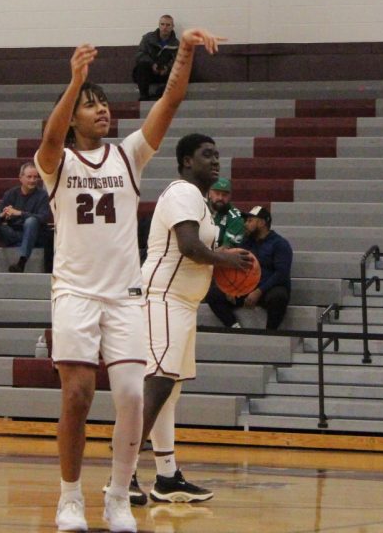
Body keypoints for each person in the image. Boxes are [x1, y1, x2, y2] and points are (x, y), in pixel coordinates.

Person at [38, 28, 223, 533]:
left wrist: (183, 50)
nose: (101, 110)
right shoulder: (58, 162)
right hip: (75, 292)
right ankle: (69, 498)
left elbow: (172, 98)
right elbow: (51, 139)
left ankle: (118, 496)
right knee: (77, 395)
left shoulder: (129, 155)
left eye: (102, 103)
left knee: (132, 397)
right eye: (89, 105)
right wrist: (76, 80)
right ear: (73, 113)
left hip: (124, 295)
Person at [127, 133, 252, 506]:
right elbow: (188, 246)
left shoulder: (199, 200)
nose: (215, 161)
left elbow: (201, 249)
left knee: (169, 390)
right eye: (206, 155)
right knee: (158, 384)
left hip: (181, 302)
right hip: (163, 297)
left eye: (217, 154)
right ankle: (123, 472)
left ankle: (166, 478)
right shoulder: (182, 192)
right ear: (185, 162)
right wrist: (227, 260)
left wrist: (225, 258)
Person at [204, 206, 292, 330]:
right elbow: (237, 266)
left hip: (266, 290)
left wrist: (259, 291)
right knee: (213, 294)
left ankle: (270, 332)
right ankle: (234, 326)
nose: (245, 224)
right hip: (245, 288)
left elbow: (281, 274)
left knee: (279, 296)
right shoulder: (246, 243)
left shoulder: (280, 244)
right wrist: (231, 288)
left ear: (262, 223)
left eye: (250, 220)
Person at [0, 161, 50, 273]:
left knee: (31, 221)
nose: (33, 180)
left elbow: (43, 218)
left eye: (35, 177)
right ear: (20, 178)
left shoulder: (42, 195)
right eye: (29, 177)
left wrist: (20, 213)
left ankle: (21, 263)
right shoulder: (11, 194)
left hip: (33, 235)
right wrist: (2, 216)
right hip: (12, 233)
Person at [131, 15, 180, 101]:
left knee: (180, 74)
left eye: (168, 25)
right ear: (159, 25)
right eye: (162, 24)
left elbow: (177, 62)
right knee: (142, 66)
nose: (165, 27)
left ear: (172, 27)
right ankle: (144, 96)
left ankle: (160, 95)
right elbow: (140, 55)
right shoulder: (147, 38)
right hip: (148, 72)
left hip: (165, 74)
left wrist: (167, 68)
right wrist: (152, 64)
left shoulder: (176, 44)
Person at [207, 177, 245, 247]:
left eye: (224, 195)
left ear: (230, 196)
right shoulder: (201, 208)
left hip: (220, 256)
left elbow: (226, 249)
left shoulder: (236, 217)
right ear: (209, 194)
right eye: (217, 193)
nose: (220, 198)